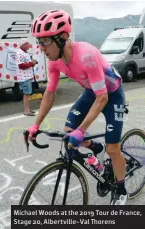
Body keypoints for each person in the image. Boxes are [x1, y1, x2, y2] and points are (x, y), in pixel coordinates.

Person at [27, 10, 127, 205]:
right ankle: (94, 147)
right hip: (92, 91)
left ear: (63, 37)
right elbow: (49, 93)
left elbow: (103, 97)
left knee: (113, 148)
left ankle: (121, 188)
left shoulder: (86, 55)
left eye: (45, 41)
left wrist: (82, 130)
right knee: (68, 132)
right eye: (39, 42)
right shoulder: (55, 62)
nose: (41, 48)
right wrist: (35, 125)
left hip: (112, 94)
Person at [16, 39, 38, 116]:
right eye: (27, 44)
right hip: (24, 77)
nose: (29, 45)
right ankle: (26, 110)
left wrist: (32, 62)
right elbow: (21, 65)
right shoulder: (20, 53)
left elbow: (26, 63)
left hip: (27, 76)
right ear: (23, 45)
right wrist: (31, 63)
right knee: (26, 94)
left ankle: (28, 109)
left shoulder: (25, 52)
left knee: (27, 94)